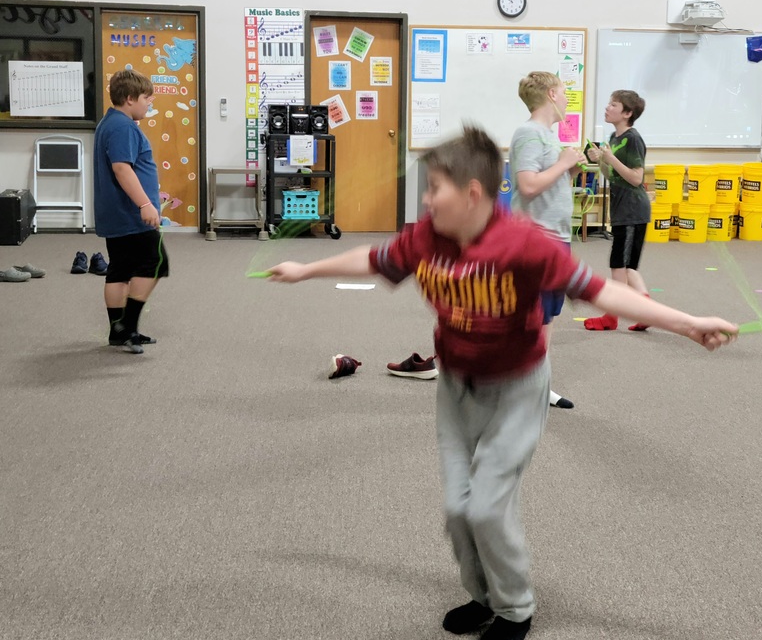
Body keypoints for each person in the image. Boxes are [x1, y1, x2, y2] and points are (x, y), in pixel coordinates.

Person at [267, 126, 737, 640]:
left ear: (472, 193)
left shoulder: (524, 247)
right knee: (457, 509)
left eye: (435, 188)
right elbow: (377, 260)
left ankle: (515, 609)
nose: (426, 199)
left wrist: (688, 324)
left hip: (516, 387)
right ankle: (481, 595)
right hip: (456, 388)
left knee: (488, 506)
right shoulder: (429, 236)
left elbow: (603, 293)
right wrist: (306, 270)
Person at [508, 71, 587, 409]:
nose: (567, 99)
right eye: (565, 92)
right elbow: (527, 185)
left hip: (555, 236)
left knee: (547, 316)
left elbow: (546, 182)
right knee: (531, 315)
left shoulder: (548, 136)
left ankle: (537, 384)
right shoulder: (529, 133)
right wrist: (565, 162)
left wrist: (569, 168)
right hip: (535, 238)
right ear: (552, 94)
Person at [93, 69, 167, 354]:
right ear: (129, 98)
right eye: (147, 99)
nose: (150, 104)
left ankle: (118, 331)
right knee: (156, 263)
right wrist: (145, 204)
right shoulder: (123, 127)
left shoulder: (110, 123)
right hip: (130, 216)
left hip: (118, 214)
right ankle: (129, 328)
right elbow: (122, 168)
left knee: (120, 270)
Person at [583, 90, 654, 331]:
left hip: (633, 210)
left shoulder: (633, 139)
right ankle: (647, 311)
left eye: (613, 105)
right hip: (623, 209)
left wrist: (610, 159)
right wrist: (599, 159)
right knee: (628, 266)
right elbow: (610, 175)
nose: (607, 108)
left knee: (618, 264)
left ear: (627, 113)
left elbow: (636, 178)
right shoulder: (614, 137)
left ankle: (612, 316)